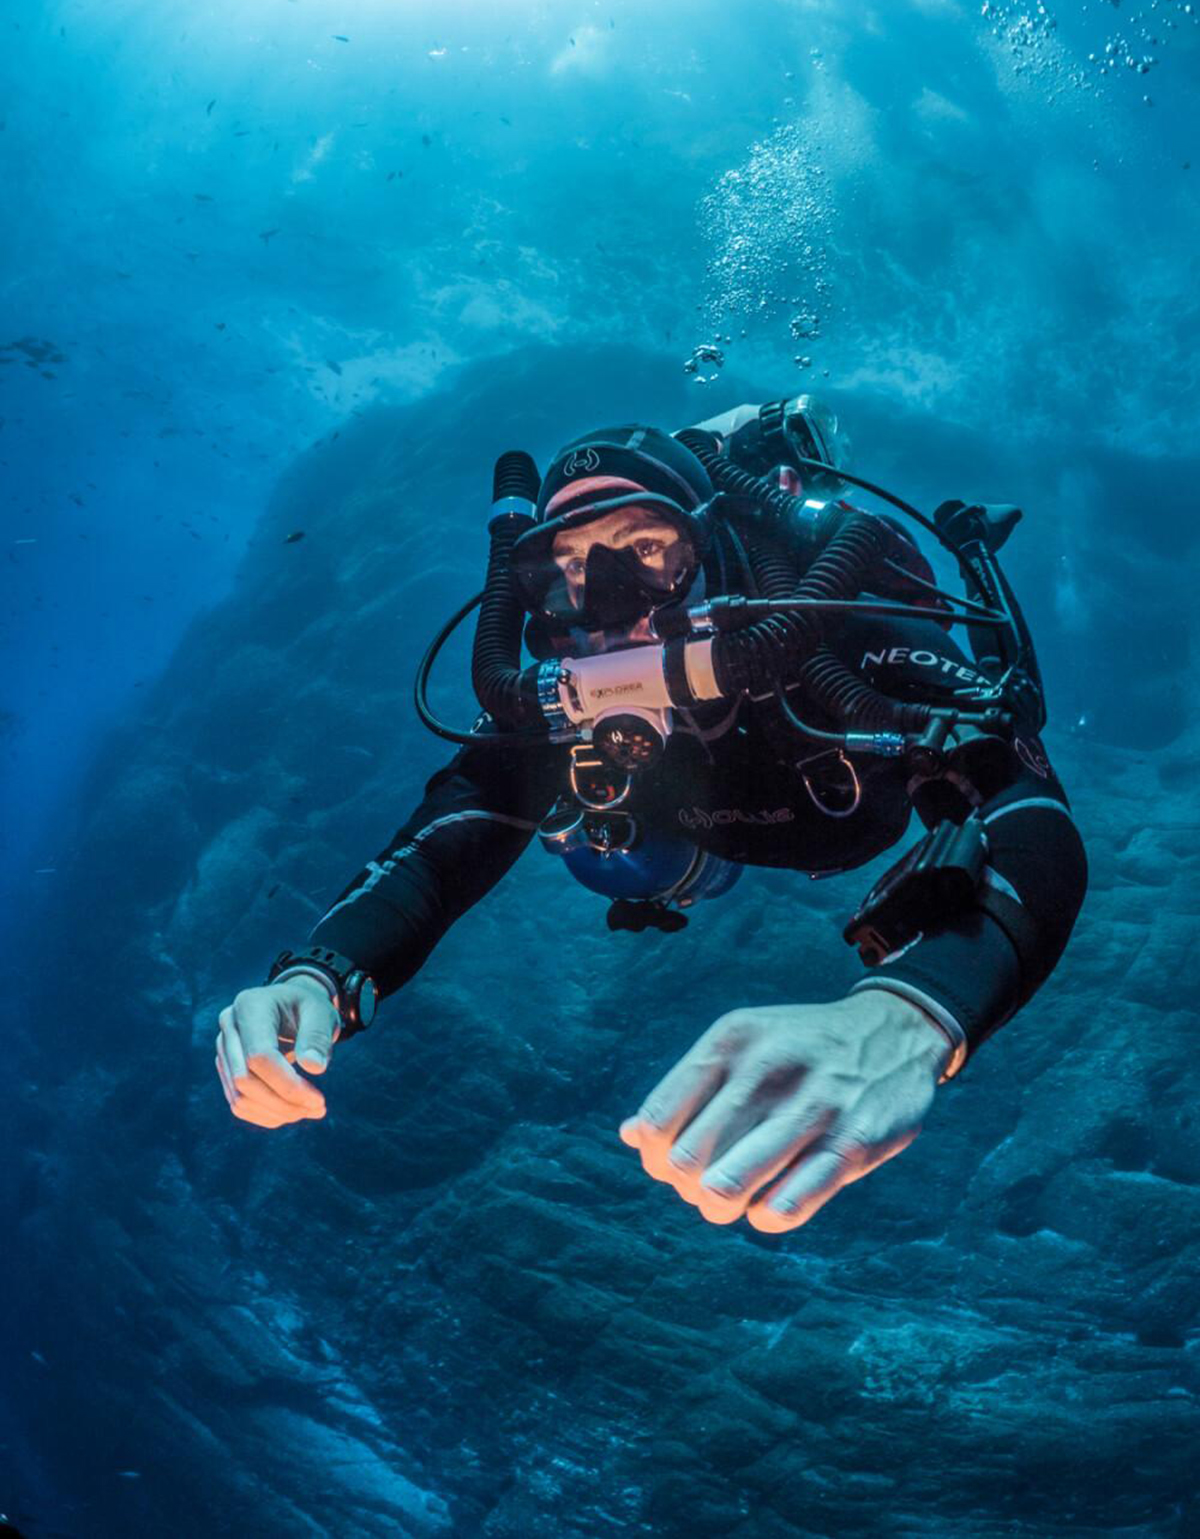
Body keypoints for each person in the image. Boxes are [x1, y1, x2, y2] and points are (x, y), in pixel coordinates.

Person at [215, 398, 1087, 1235]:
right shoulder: (564, 696)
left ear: (709, 550)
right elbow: (446, 838)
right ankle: (684, 873)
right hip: (704, 836)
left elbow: (1028, 808)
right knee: (597, 848)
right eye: (565, 572)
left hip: (864, 811)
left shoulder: (837, 630)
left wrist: (913, 1013)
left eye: (645, 548)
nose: (606, 600)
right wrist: (318, 976)